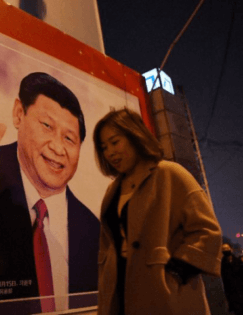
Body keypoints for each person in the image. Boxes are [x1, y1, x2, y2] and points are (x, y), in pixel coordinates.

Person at [0, 73, 100, 311]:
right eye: (47, 126)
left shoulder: (91, 229)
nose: (57, 147)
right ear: (18, 114)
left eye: (69, 138)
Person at [93, 108, 222, 315]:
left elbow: (207, 230)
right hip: (119, 293)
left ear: (135, 136)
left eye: (115, 142)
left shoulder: (169, 173)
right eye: (104, 147)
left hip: (165, 296)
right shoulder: (112, 190)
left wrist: (177, 272)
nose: (110, 152)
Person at [221, 243, 243, 315]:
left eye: (227, 248)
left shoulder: (238, 261)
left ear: (231, 249)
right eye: (224, 249)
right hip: (231, 292)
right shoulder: (222, 264)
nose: (226, 250)